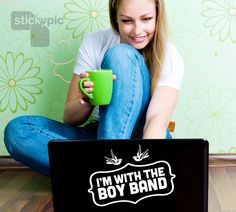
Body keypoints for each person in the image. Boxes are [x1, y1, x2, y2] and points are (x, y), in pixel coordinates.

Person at [4, 0, 184, 176]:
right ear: (115, 18)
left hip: (143, 142)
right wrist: (88, 99)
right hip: (97, 134)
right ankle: (108, 175)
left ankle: (102, 173)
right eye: (127, 20)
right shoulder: (95, 42)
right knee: (18, 130)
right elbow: (70, 118)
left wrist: (146, 165)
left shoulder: (169, 56)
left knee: (121, 54)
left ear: (158, 15)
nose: (137, 30)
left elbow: (156, 122)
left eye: (146, 19)